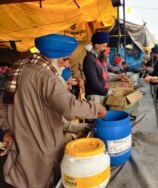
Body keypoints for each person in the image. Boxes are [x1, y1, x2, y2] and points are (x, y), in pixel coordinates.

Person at [0, 33, 107, 188]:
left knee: (21, 179)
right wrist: (97, 109)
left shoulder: (21, 65)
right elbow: (70, 107)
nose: (67, 65)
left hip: (20, 141)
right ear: (52, 57)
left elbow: (3, 104)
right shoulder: (47, 77)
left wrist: (6, 129)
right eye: (65, 59)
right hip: (41, 146)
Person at [82, 31, 130, 105]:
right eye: (104, 46)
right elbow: (94, 83)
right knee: (97, 115)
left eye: (106, 46)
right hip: (95, 96)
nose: (105, 49)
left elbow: (104, 74)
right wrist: (109, 92)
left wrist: (118, 76)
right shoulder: (89, 59)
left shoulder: (100, 57)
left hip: (102, 93)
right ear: (97, 45)